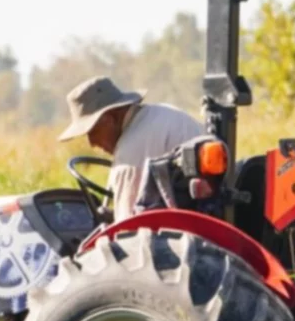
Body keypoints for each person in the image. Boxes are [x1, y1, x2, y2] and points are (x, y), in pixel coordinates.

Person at [57, 76, 203, 219]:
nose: (92, 143)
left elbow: (127, 229)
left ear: (110, 119)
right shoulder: (161, 113)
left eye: (93, 132)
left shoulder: (130, 153)